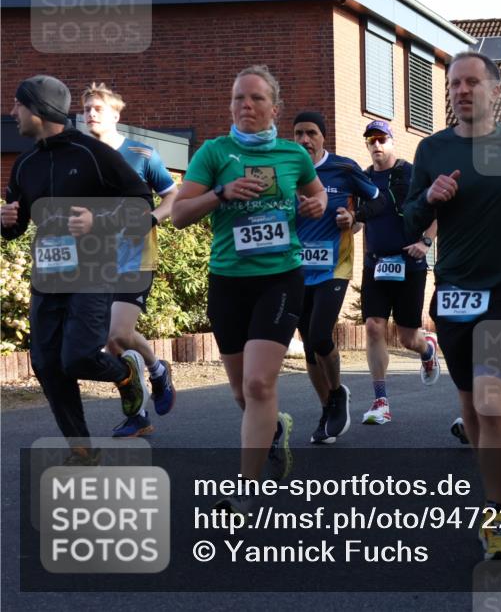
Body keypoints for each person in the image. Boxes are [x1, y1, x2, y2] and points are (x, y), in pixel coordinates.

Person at [403, 51, 501, 561]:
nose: (461, 91)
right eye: (453, 84)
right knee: (470, 407)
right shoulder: (432, 149)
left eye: (471, 82)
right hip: (451, 291)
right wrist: (431, 197)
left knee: (492, 400)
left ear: (494, 90)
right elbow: (408, 218)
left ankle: (497, 518)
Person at [172, 65, 327, 513]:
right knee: (242, 392)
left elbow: (317, 199)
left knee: (260, 384)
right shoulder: (214, 153)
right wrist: (220, 193)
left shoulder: (293, 155)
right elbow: (180, 215)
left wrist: (316, 203)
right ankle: (273, 428)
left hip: (280, 277)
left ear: (273, 107)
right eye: (239, 97)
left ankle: (248, 486)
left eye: (256, 98)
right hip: (228, 282)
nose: (246, 105)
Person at [2, 74, 153, 463]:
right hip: (47, 277)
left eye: (18, 104)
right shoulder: (25, 165)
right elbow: (15, 228)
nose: (12, 111)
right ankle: (81, 447)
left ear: (38, 108)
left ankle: (124, 373)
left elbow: (140, 201)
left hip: (95, 270)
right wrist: (5, 220)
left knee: (78, 357)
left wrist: (97, 220)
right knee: (47, 364)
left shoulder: (92, 153)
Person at [81, 82, 178, 438]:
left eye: (98, 108)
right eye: (87, 108)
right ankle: (140, 409)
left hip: (135, 257)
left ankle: (156, 372)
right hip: (95, 261)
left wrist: (151, 218)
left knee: (116, 333)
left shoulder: (142, 153)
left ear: (116, 115)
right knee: (114, 343)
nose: (90, 113)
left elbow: (173, 196)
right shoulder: (82, 156)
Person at [290, 111, 381, 443]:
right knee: (310, 346)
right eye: (298, 133)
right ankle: (328, 406)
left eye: (311, 133)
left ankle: (338, 393)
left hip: (335, 266)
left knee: (318, 336)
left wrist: (353, 217)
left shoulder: (343, 169)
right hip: (296, 269)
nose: (304, 140)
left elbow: (379, 201)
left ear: (323, 137)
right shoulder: (285, 171)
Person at [356, 119, 441, 432]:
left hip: (410, 264)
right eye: (371, 141)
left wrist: (426, 242)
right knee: (374, 327)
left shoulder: (410, 174)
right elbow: (357, 221)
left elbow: (436, 213)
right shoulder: (362, 180)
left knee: (407, 337)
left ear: (392, 142)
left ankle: (427, 349)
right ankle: (381, 401)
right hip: (375, 264)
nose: (376, 145)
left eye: (381, 139)